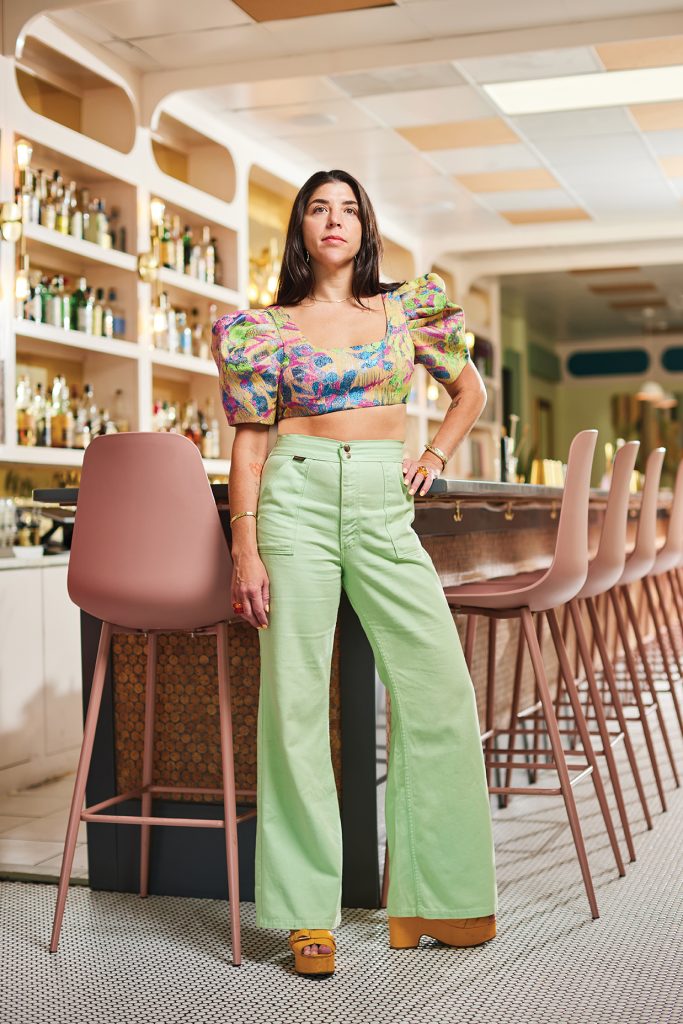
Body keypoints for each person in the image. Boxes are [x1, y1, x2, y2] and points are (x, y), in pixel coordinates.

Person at [211, 169, 497, 978]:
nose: (332, 221)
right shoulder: (262, 329)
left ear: (365, 227)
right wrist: (244, 545)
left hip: (381, 499)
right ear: (300, 228)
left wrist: (434, 453)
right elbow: (251, 444)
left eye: (348, 209)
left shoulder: (409, 308)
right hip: (293, 498)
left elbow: (468, 390)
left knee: (438, 685)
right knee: (294, 700)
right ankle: (307, 917)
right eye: (317, 208)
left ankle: (438, 897)